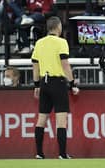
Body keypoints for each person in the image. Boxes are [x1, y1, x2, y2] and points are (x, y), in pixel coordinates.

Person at [31, 16, 79, 159]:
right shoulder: (61, 42)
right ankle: (62, 154)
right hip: (57, 83)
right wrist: (72, 83)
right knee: (61, 120)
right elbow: (64, 64)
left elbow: (35, 66)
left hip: (44, 83)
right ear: (58, 27)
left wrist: (36, 85)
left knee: (41, 119)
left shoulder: (39, 43)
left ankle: (39, 153)